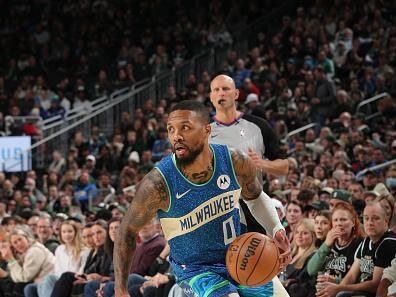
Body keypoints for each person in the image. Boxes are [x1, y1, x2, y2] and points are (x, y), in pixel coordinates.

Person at [114, 100, 290, 297]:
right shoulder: (158, 183)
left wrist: (276, 228)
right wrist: (120, 290)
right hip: (195, 270)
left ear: (207, 131)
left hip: (241, 255)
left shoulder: (234, 161)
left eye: (185, 128)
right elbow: (126, 231)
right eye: (171, 130)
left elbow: (255, 197)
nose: (176, 136)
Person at [208, 74, 289, 236]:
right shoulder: (202, 132)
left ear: (236, 94)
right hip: (216, 213)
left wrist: (262, 164)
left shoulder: (258, 126)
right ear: (211, 96)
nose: (221, 93)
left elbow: (284, 167)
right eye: (216, 90)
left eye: (225, 89)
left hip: (255, 209)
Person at [316, 202, 396, 297]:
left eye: (376, 218)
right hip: (360, 292)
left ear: (386, 221)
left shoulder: (389, 242)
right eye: (366, 218)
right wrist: (334, 290)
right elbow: (351, 276)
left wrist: (339, 288)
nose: (370, 223)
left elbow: (375, 284)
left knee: (342, 295)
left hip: (377, 293)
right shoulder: (366, 241)